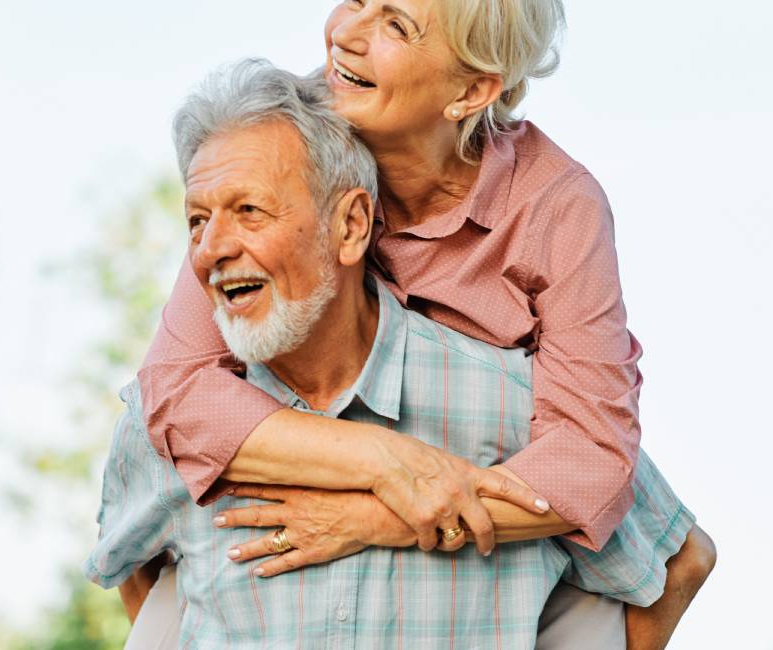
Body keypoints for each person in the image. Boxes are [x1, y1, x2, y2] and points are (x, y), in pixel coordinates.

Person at [136, 1, 715, 647]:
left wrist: (374, 517)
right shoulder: (288, 143)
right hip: (344, 449)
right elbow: (176, 390)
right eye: (355, 2)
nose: (345, 36)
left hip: (499, 481)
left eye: (395, 24)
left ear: (471, 91)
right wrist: (391, 463)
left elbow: (590, 460)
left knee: (677, 552)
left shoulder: (556, 206)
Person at [91, 61, 600, 647]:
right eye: (197, 221)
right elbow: (133, 573)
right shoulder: (157, 430)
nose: (211, 249)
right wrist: (390, 464)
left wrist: (376, 521)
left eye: (250, 210)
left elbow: (675, 565)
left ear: (352, 225)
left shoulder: (517, 407)